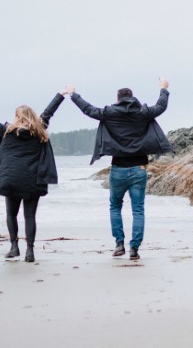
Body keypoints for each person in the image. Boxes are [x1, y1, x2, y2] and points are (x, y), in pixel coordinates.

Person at [61, 79, 171, 261]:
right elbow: (161, 106)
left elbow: (88, 109)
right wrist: (163, 89)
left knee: (115, 207)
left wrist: (73, 94)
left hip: (118, 169)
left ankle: (119, 244)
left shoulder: (110, 113)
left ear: (118, 99)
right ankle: (134, 248)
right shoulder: (143, 113)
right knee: (138, 210)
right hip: (139, 169)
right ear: (132, 97)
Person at [0, 92, 65, 263]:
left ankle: (14, 247)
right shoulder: (39, 131)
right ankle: (30, 251)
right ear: (32, 117)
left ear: (17, 117)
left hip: (11, 179)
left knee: (11, 214)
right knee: (30, 216)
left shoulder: (6, 131)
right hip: (33, 181)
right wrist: (61, 94)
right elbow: (49, 112)